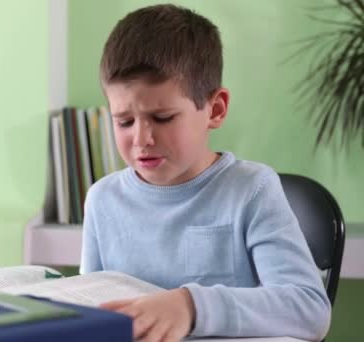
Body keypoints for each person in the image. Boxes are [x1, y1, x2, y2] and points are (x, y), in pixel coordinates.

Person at [79, 4, 331, 342]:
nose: (142, 139)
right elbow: (92, 308)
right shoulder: (102, 200)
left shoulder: (252, 190)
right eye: (124, 121)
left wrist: (191, 306)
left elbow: (309, 309)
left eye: (163, 117)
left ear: (215, 109)